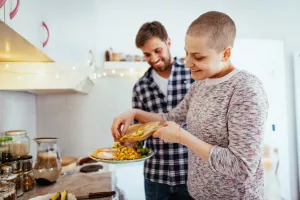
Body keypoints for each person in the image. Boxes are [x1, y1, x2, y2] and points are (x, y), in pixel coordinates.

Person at [112, 11, 268, 200]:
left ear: (225, 53)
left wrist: (181, 136)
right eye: (187, 54)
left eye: (198, 57)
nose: (187, 63)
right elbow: (170, 118)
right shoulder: (200, 84)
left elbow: (242, 167)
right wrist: (134, 112)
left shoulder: (246, 90)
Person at [115, 21, 194, 200]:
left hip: (191, 174)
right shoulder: (140, 87)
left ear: (169, 42)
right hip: (156, 177)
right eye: (147, 54)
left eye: (157, 50)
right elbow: (139, 137)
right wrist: (128, 141)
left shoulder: (192, 75)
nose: (154, 58)